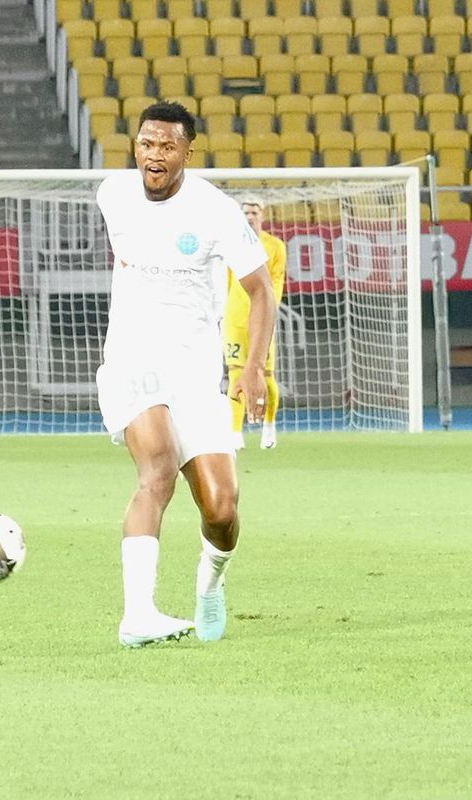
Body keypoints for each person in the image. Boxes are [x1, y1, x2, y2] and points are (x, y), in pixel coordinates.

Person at [94, 101, 278, 647]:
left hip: (196, 373)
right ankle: (138, 615)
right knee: (157, 470)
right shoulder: (113, 194)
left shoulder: (215, 211)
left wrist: (251, 369)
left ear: (186, 153)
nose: (154, 155)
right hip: (132, 360)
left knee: (221, 509)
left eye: (167, 146)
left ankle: (210, 583)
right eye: (146, 143)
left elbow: (261, 291)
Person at [224, 196, 287, 450]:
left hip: (260, 321)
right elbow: (226, 279)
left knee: (266, 376)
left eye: (254, 212)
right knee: (235, 374)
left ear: (262, 215)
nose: (250, 217)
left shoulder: (275, 246)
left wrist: (270, 310)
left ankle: (269, 426)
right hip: (234, 318)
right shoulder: (231, 242)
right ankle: (234, 433)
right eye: (246, 213)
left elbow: (276, 282)